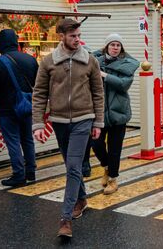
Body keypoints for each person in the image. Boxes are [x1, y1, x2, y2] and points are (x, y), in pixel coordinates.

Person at [32, 19, 104, 238]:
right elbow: (39, 94)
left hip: (84, 119)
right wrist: (37, 122)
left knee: (73, 165)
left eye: (78, 35)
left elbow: (98, 93)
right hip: (59, 121)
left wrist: (98, 122)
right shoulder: (48, 62)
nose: (77, 39)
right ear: (61, 36)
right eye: (72, 35)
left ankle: (65, 219)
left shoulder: (89, 61)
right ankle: (81, 199)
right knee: (71, 165)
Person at [0, 29, 39, 187]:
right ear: (15, 42)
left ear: (0, 44)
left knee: (13, 141)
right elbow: (38, 83)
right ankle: (31, 172)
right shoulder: (30, 60)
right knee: (27, 139)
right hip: (27, 106)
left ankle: (18, 174)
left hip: (7, 110)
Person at [92, 34, 139, 195]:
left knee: (114, 148)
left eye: (118, 45)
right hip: (99, 112)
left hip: (118, 112)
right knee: (96, 144)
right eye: (112, 45)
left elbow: (123, 85)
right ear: (106, 47)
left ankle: (113, 179)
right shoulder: (95, 62)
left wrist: (105, 76)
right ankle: (106, 167)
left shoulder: (127, 65)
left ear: (121, 48)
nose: (115, 48)